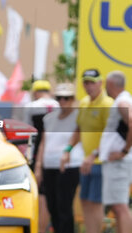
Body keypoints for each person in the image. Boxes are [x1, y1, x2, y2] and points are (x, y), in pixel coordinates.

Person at [61, 69, 113, 233]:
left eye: (92, 82)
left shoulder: (108, 104)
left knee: (95, 203)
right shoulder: (83, 103)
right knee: (84, 200)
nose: (88, 86)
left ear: (100, 83)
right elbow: (78, 129)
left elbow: (110, 135)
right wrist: (68, 150)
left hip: (101, 161)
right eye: (86, 82)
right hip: (87, 161)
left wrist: (93, 155)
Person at [35, 83, 83, 233]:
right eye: (59, 98)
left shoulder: (78, 117)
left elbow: (79, 136)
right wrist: (38, 166)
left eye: (66, 98)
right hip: (49, 165)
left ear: (73, 99)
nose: (62, 101)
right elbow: (44, 142)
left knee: (64, 206)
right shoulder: (49, 118)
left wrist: (67, 152)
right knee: (52, 206)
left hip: (69, 166)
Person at [22, 79, 59, 233]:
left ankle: (38, 228)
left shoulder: (31, 106)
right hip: (56, 153)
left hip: (37, 152)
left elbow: (26, 132)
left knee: (37, 192)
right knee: (50, 193)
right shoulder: (58, 105)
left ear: (36, 92)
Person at [99, 71, 132, 233]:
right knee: (118, 207)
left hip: (119, 162)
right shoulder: (121, 100)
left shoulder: (122, 101)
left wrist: (124, 151)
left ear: (111, 84)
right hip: (116, 162)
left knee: (120, 206)